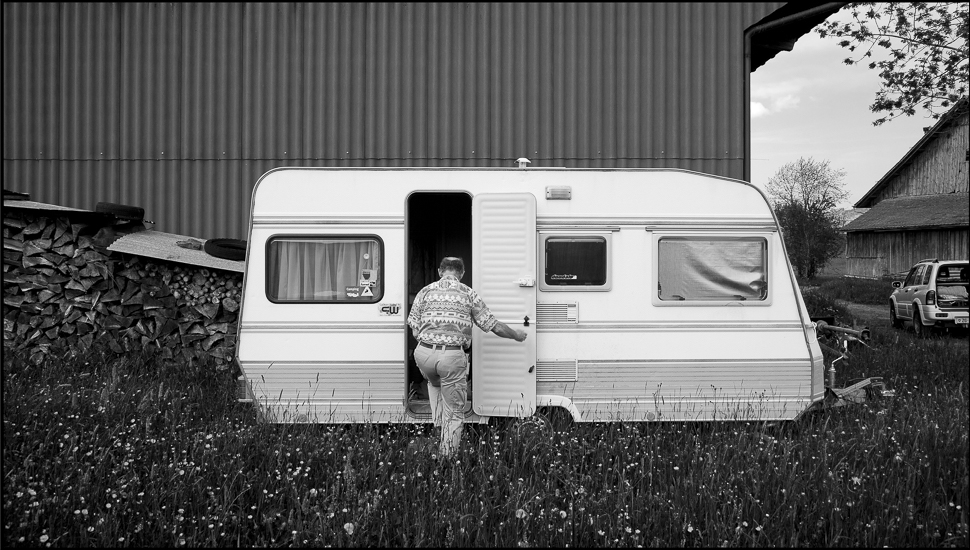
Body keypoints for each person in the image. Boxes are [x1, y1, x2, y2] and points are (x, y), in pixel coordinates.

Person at [407, 256, 527, 457]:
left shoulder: (424, 292)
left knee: (435, 384)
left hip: (423, 354)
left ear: (440, 271)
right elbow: (493, 326)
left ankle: (439, 430)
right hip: (451, 357)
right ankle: (446, 459)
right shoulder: (468, 294)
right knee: (454, 411)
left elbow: (414, 330)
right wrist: (517, 335)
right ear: (461, 274)